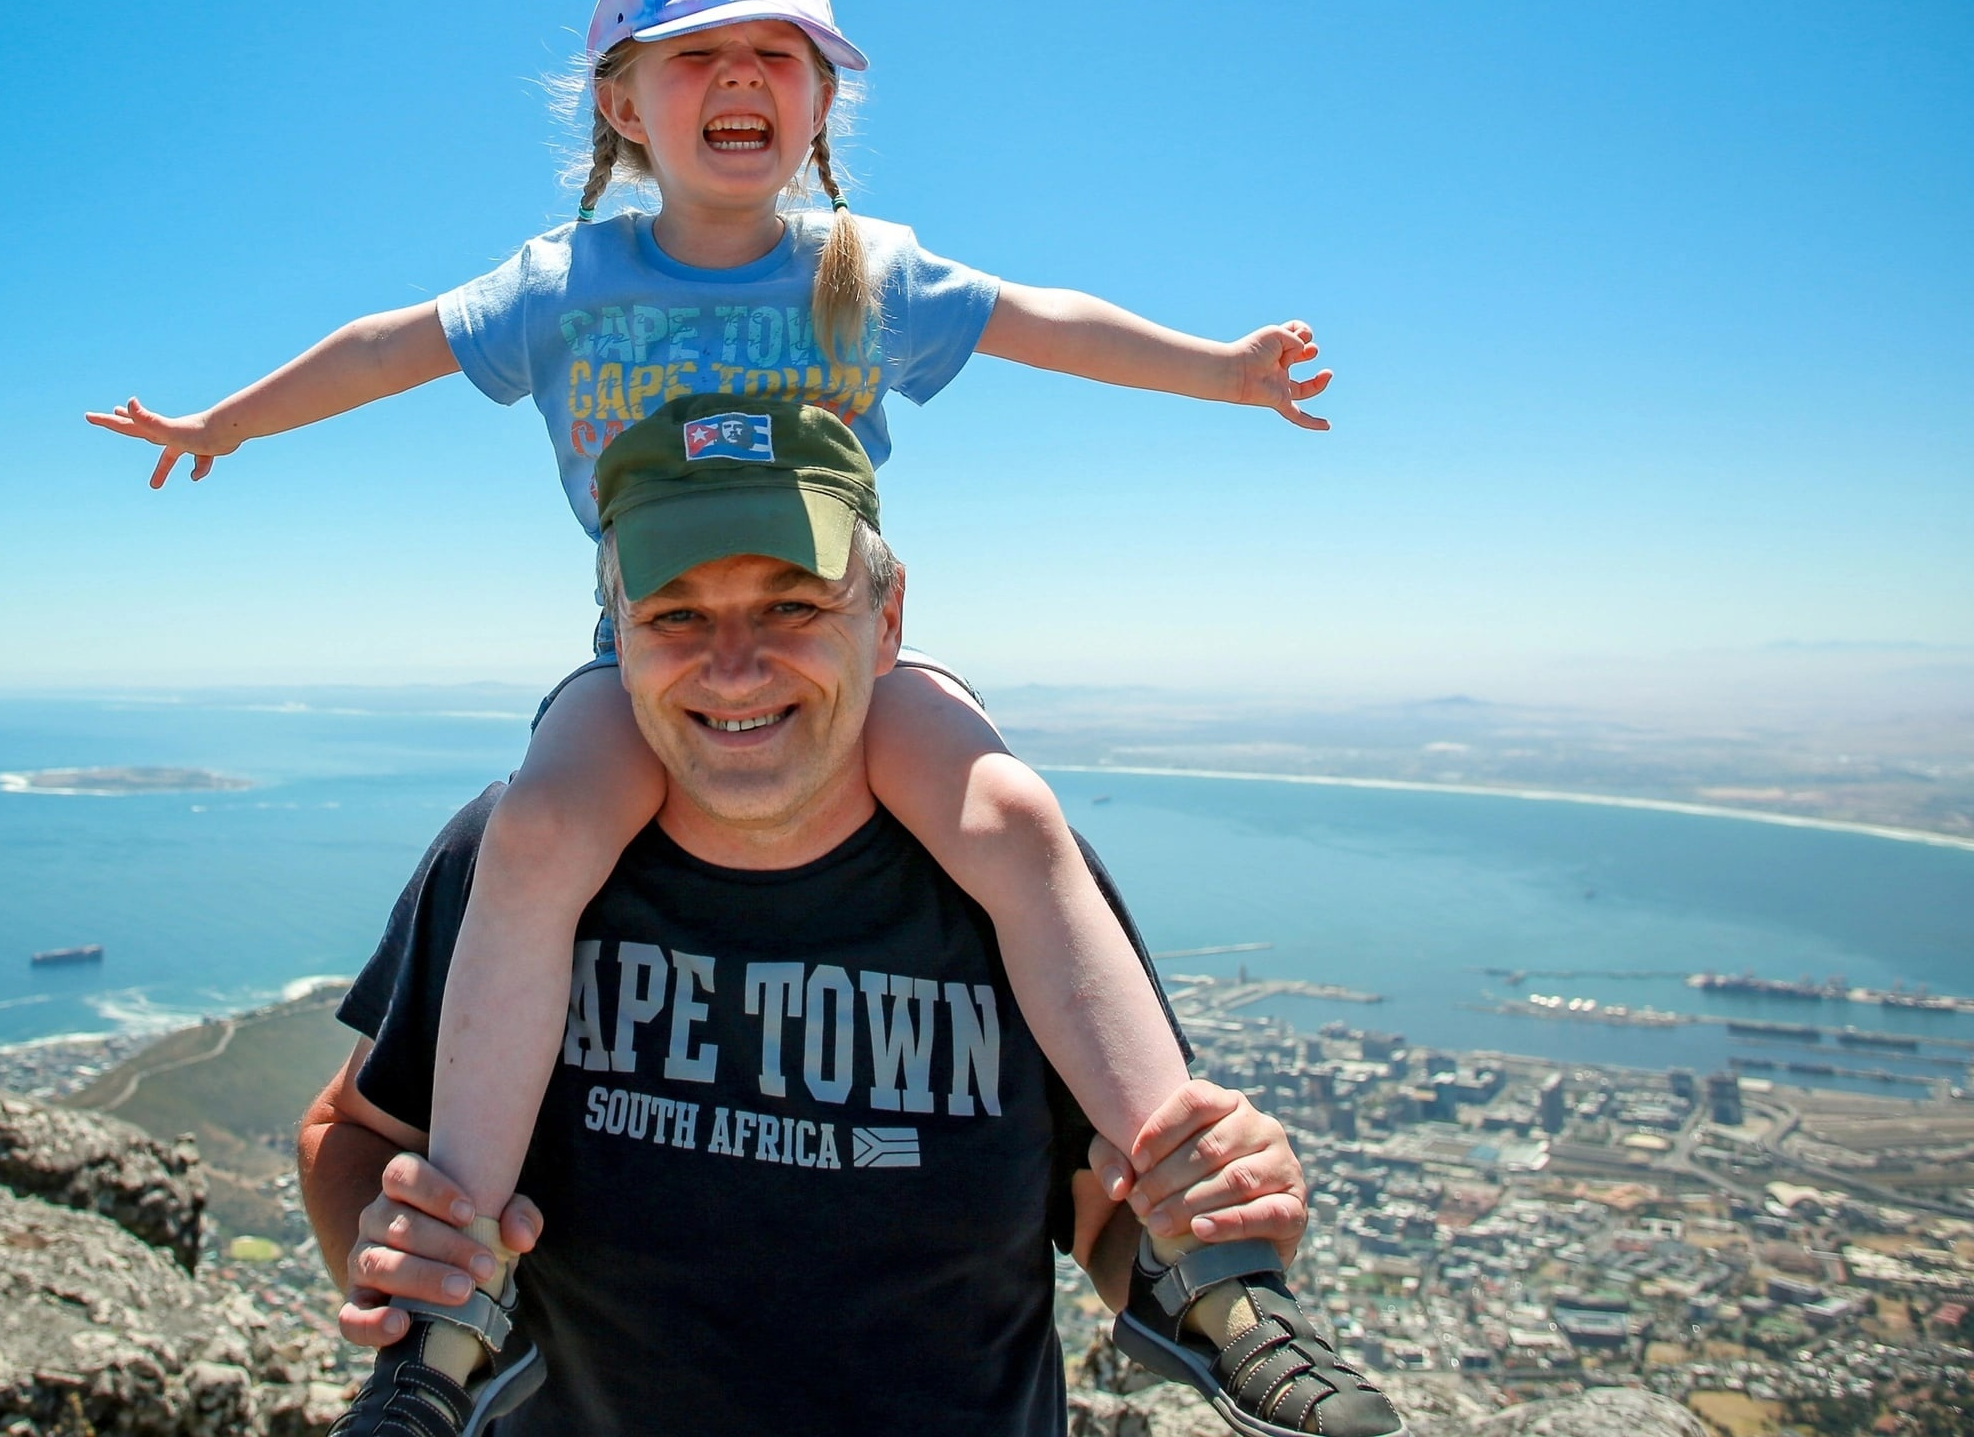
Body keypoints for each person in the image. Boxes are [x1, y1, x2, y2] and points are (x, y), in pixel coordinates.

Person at [89, 0, 1337, 1430]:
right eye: (699, 55)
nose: (743, 78)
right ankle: (456, 1291)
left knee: (1008, 812)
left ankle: (1212, 1257)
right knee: (542, 835)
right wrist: (226, 423)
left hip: (839, 646)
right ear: (625, 104)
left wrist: (1221, 369)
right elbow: (381, 347)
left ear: (818, 107)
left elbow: (1041, 323)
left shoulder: (866, 273)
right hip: (651, 655)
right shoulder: (561, 282)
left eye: (781, 58)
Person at [299, 399, 1403, 1437]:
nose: (735, 668)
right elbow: (351, 1135)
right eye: (676, 613)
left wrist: (1214, 1209)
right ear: (616, 638)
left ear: (888, 617)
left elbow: (1108, 1217)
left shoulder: (997, 878)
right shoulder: (507, 858)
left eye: (792, 604)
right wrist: (398, 1255)